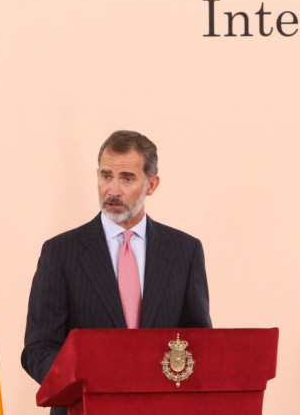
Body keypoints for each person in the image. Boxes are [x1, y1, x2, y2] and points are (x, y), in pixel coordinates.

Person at [22, 130, 212, 412]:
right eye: (106, 175)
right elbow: (38, 348)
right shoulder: (60, 252)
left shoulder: (185, 251)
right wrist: (86, 384)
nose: (113, 190)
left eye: (127, 178)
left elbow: (199, 343)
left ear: (151, 184)